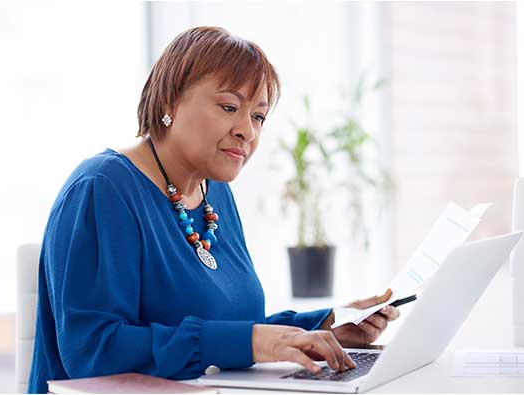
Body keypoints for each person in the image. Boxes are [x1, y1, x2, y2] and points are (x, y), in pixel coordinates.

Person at [27, 26, 400, 394]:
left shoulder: (212, 192)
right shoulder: (103, 188)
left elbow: (230, 328)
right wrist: (253, 342)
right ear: (170, 101)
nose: (248, 132)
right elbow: (93, 351)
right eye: (229, 107)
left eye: (258, 117)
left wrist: (325, 327)